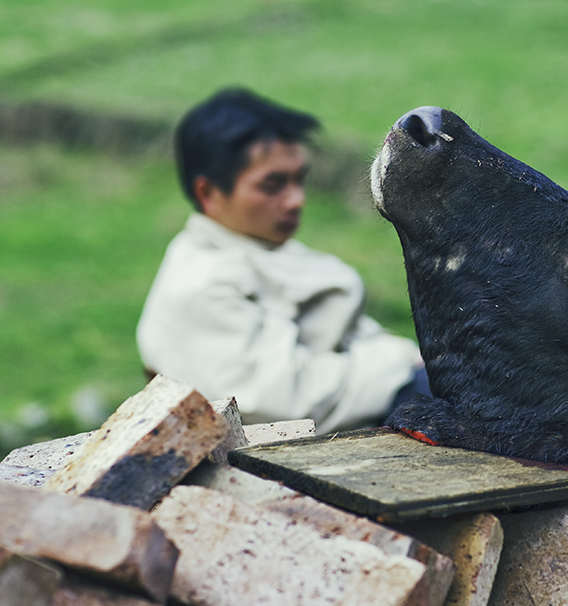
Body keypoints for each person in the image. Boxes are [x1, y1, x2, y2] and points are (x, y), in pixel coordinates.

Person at [137, 88, 427, 433]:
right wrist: (401, 365)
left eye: (299, 180)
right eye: (273, 185)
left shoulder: (263, 248)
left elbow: (349, 331)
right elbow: (285, 400)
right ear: (208, 193)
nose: (295, 200)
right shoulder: (203, 286)